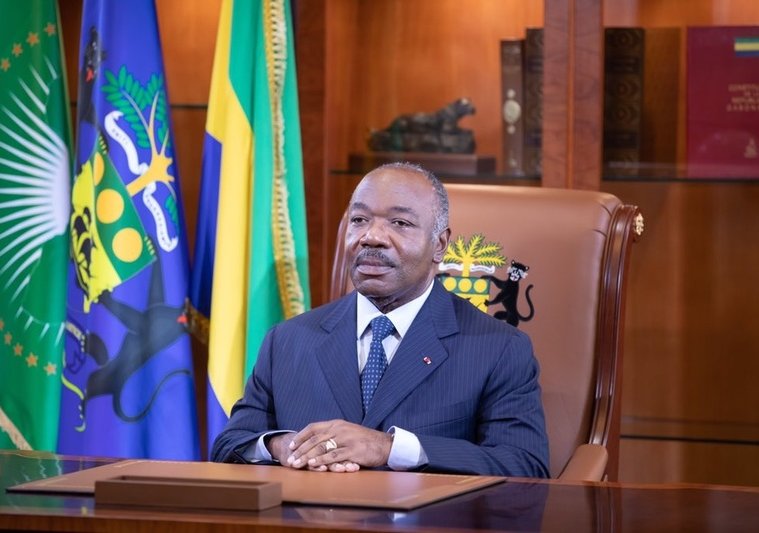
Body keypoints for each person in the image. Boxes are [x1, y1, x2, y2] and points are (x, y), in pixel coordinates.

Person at [211, 162, 549, 477]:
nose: (371, 237)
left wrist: (388, 448)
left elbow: (524, 464)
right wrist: (281, 445)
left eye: (399, 223)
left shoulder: (498, 349)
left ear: (440, 245)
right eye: (359, 220)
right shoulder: (287, 340)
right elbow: (230, 445)